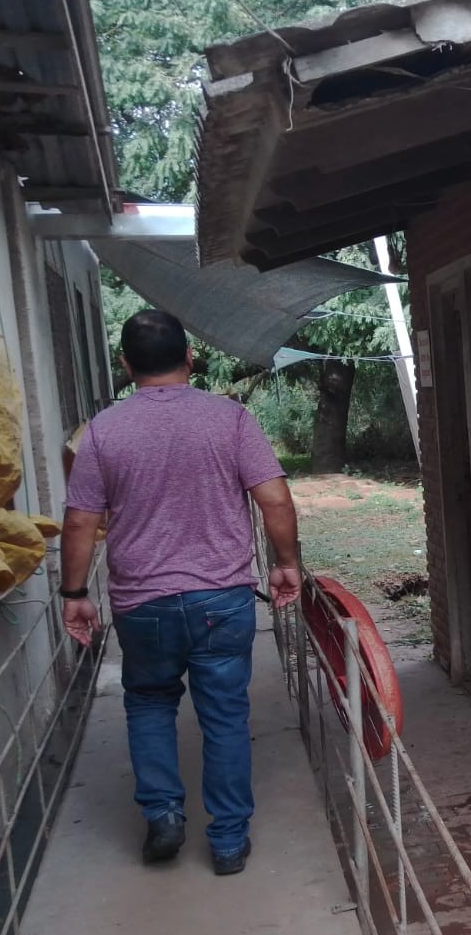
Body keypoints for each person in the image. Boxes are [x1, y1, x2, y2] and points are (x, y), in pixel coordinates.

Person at [59, 309, 302, 875]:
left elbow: (78, 523)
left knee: (147, 702)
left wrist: (74, 592)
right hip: (223, 599)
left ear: (125, 365)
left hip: (142, 603)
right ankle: (228, 841)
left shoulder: (102, 432)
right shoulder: (231, 420)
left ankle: (164, 816)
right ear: (190, 357)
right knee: (224, 716)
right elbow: (275, 501)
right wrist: (286, 564)